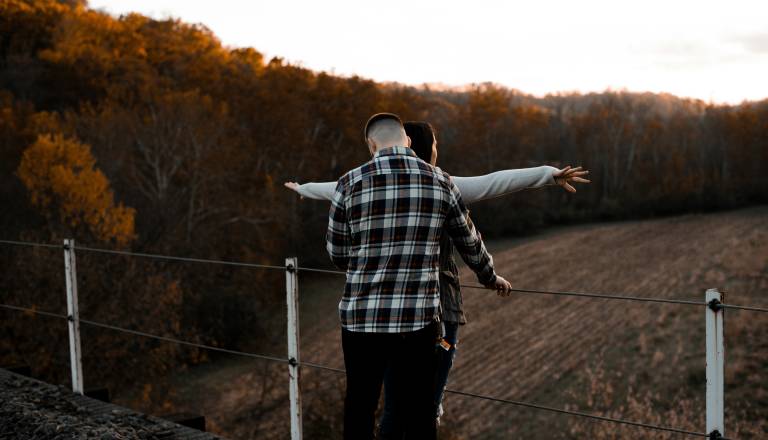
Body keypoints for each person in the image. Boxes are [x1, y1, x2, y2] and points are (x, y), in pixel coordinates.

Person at [287, 121, 590, 436]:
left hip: (369, 316)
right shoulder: (442, 182)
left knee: (372, 404)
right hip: (431, 312)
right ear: (419, 146)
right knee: (419, 405)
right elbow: (493, 188)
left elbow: (333, 205)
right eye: (435, 146)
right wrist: (548, 174)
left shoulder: (358, 181)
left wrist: (302, 189)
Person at [327, 112, 513, 440]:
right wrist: (489, 277)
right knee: (419, 411)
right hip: (418, 321)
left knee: (360, 406)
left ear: (371, 145)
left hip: (361, 320)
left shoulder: (348, 183)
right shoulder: (441, 181)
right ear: (408, 141)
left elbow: (337, 253)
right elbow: (469, 242)